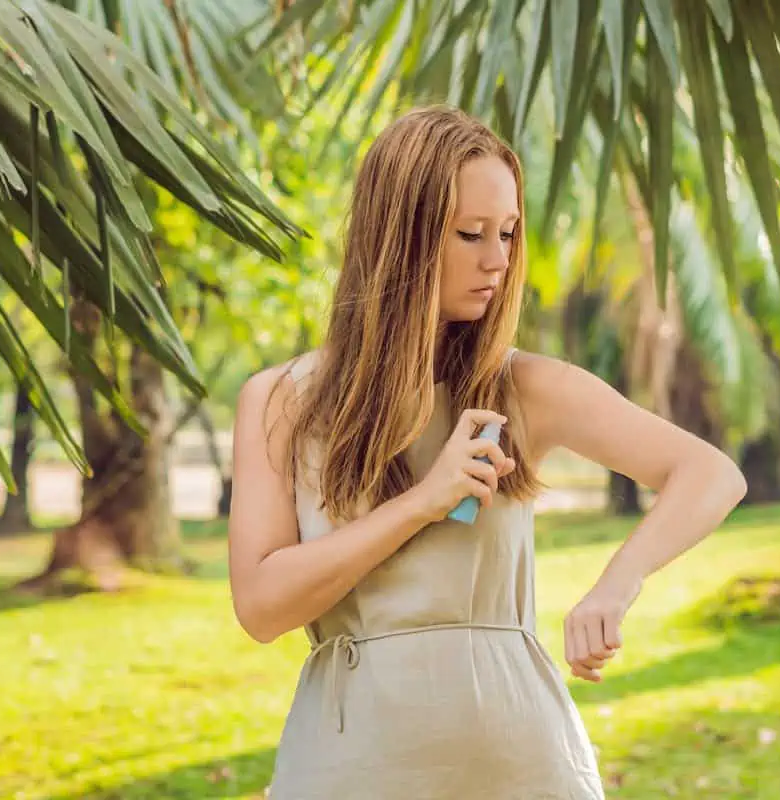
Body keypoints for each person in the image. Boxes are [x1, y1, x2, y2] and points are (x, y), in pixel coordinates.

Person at [227, 105, 747, 799]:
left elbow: (710, 473)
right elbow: (262, 607)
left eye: (507, 233)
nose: (498, 259)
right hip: (350, 764)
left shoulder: (523, 388)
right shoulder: (282, 401)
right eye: (470, 234)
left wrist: (617, 584)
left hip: (521, 764)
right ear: (400, 238)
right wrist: (422, 503)